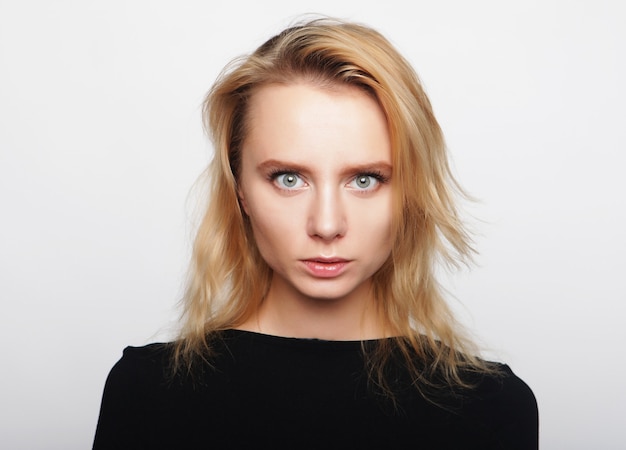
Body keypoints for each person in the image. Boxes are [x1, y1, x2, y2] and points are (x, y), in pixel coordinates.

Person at [93, 16, 538, 449]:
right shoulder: (147, 392)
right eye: (288, 178)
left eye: (365, 179)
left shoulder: (492, 408)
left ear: (411, 193)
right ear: (240, 190)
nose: (326, 225)